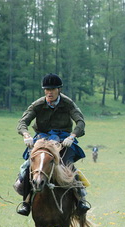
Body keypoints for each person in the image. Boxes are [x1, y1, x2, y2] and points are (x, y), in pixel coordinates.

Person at [16, 73, 89, 216]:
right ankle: (26, 203)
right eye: (46, 89)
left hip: (63, 140)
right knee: (28, 167)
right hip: (42, 140)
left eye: (53, 89)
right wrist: (26, 135)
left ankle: (80, 200)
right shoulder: (37, 104)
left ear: (59, 90)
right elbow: (22, 122)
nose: (49, 92)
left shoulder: (68, 103)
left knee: (68, 166)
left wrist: (72, 136)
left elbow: (80, 122)